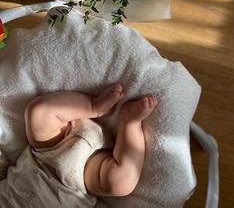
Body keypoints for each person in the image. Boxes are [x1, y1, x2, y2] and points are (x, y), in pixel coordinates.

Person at [0, 84, 157, 207]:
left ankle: (93, 106)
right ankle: (130, 123)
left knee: (38, 112)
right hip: (80, 181)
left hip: (45, 153)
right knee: (121, 181)